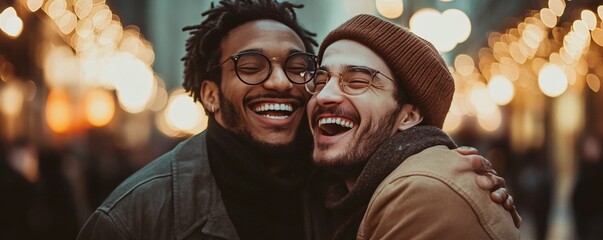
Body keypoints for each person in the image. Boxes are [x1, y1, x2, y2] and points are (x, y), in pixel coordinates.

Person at [77, 1, 517, 239]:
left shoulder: (345, 177)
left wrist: (453, 182)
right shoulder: (135, 217)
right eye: (250, 66)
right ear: (210, 94)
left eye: (299, 68)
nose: (281, 83)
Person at [304, 14, 520, 239]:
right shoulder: (341, 194)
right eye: (320, 81)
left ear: (409, 116)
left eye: (357, 81)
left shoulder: (426, 193)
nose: (323, 95)